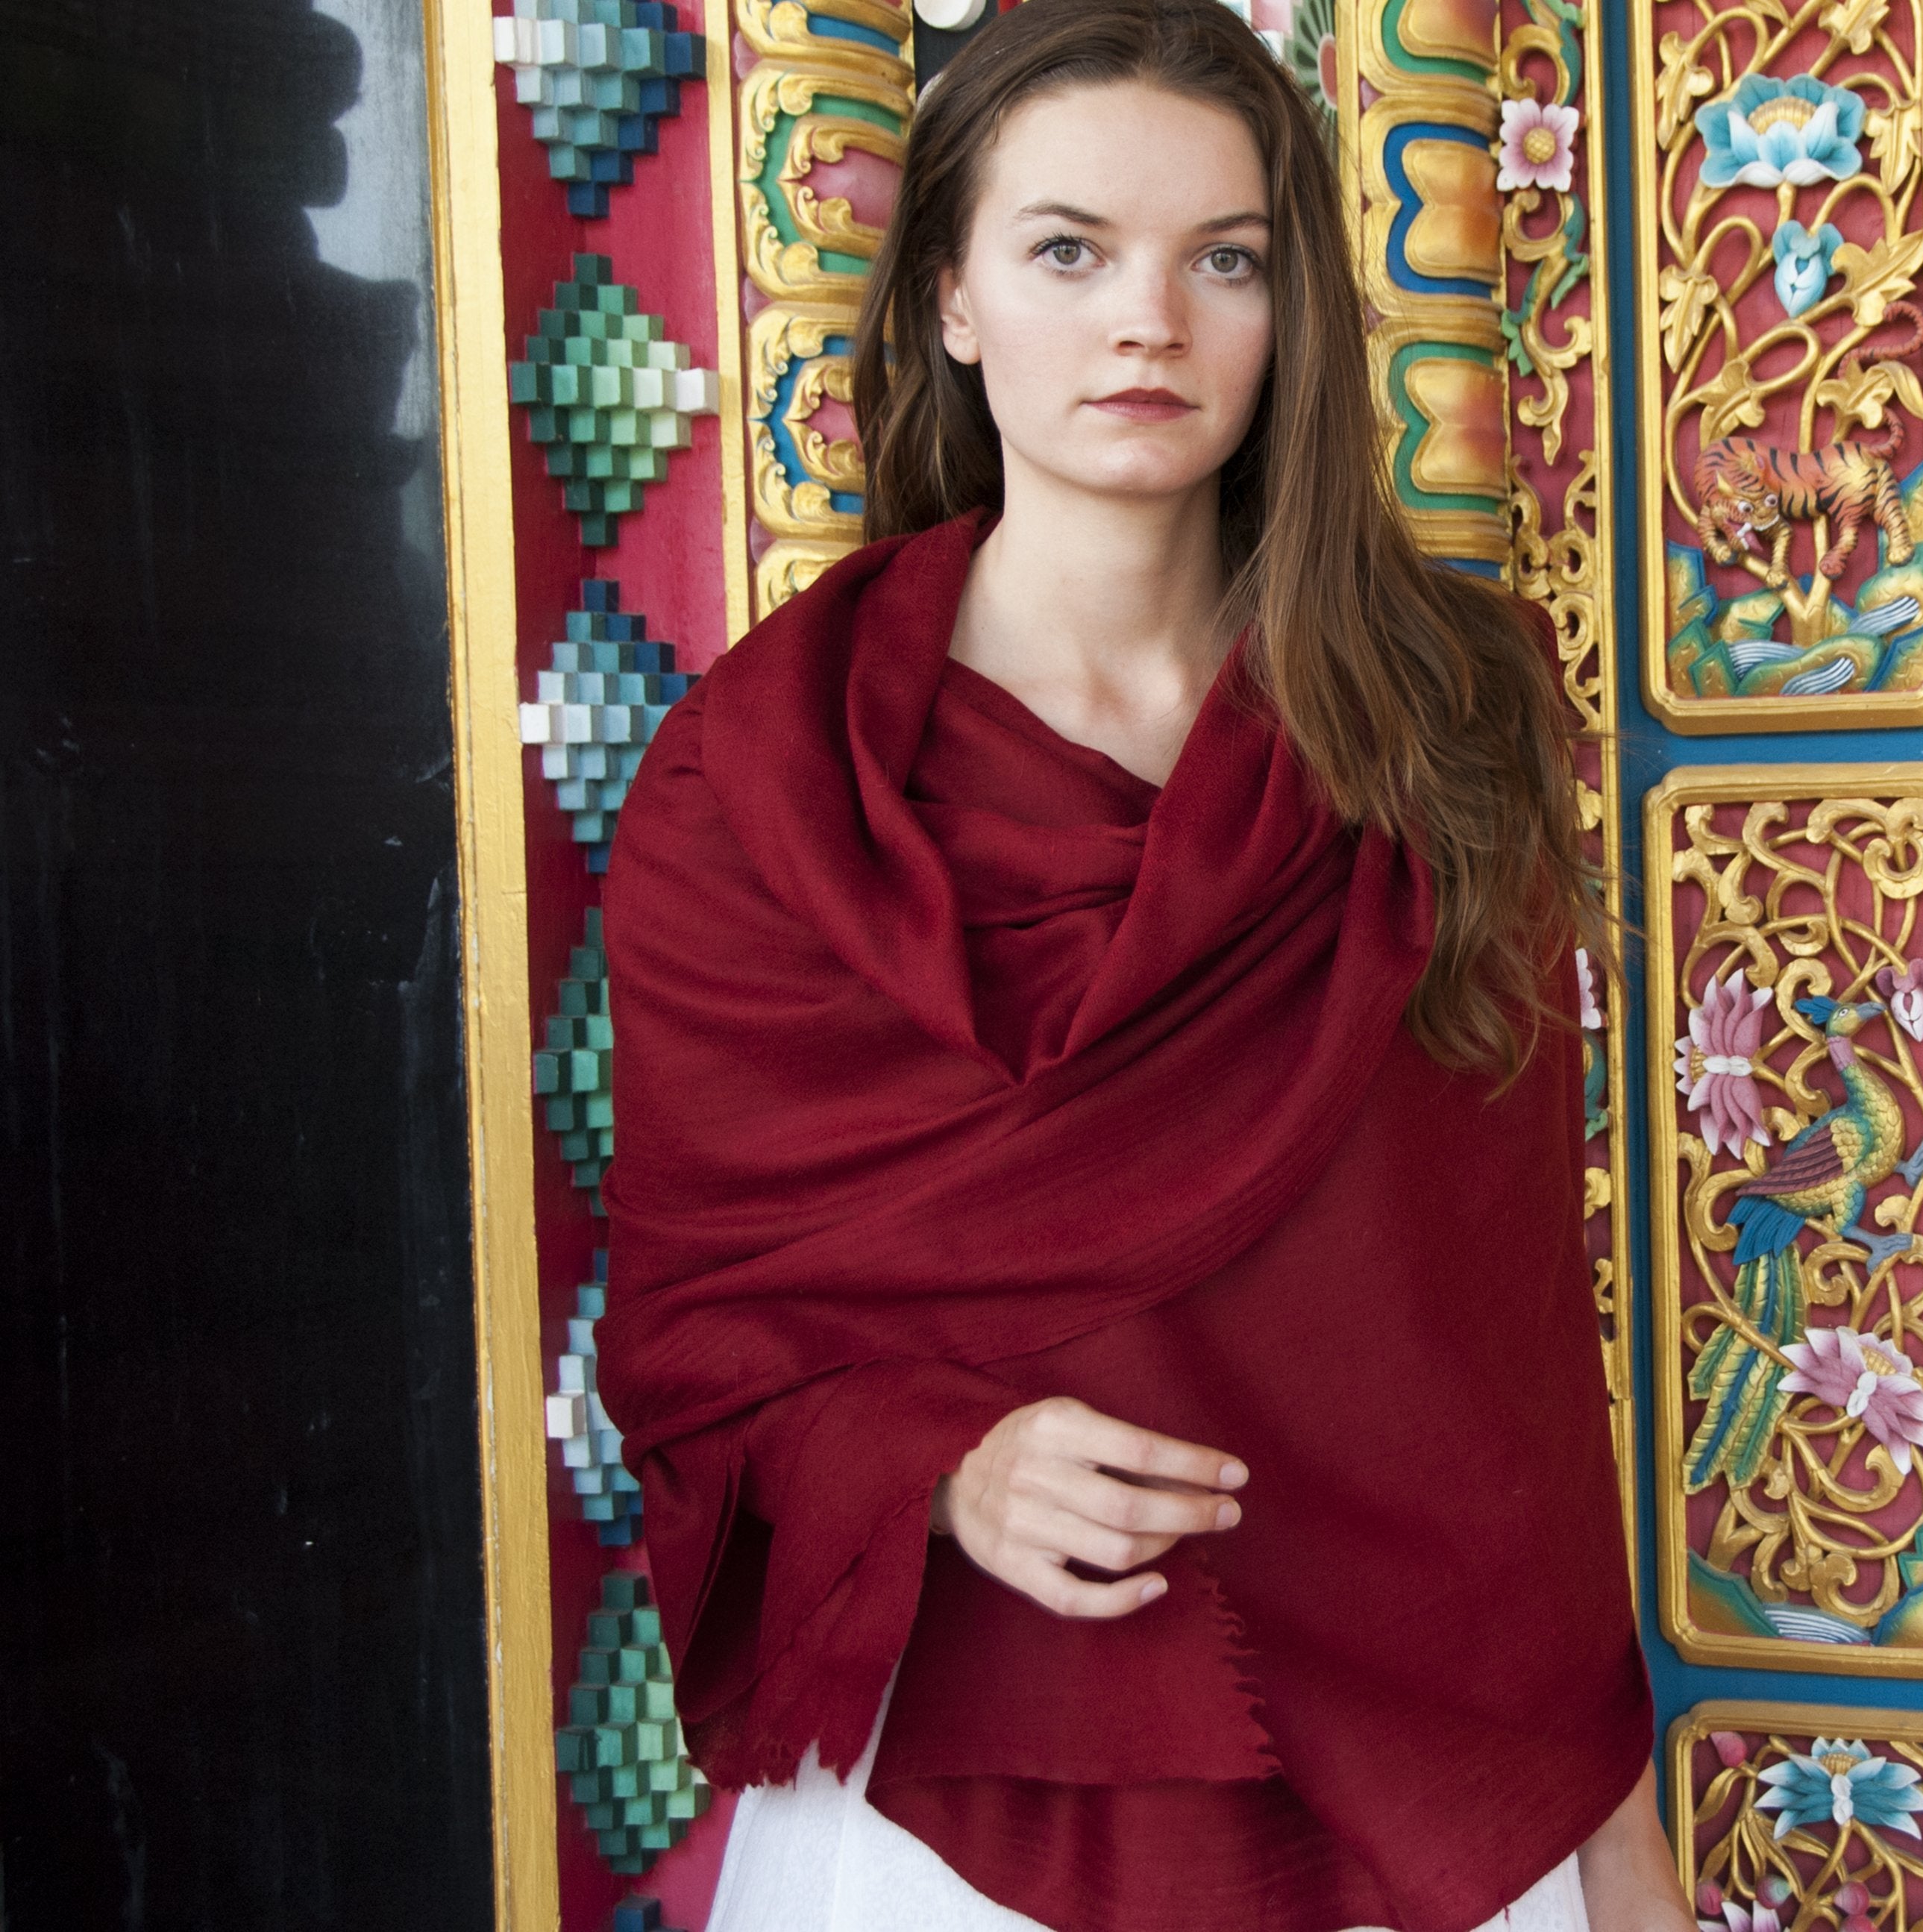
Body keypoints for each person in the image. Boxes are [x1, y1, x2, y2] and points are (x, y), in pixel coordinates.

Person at [591, 1, 1681, 1928]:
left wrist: (1615, 1837)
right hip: (965, 1793)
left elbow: (1503, 1346)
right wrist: (946, 1468)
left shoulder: (1447, 724)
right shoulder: (758, 780)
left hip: (1434, 1781)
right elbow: (694, 1346)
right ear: (949, 296)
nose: (1148, 322)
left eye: (1226, 259)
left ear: (1295, 309)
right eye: (1069, 249)